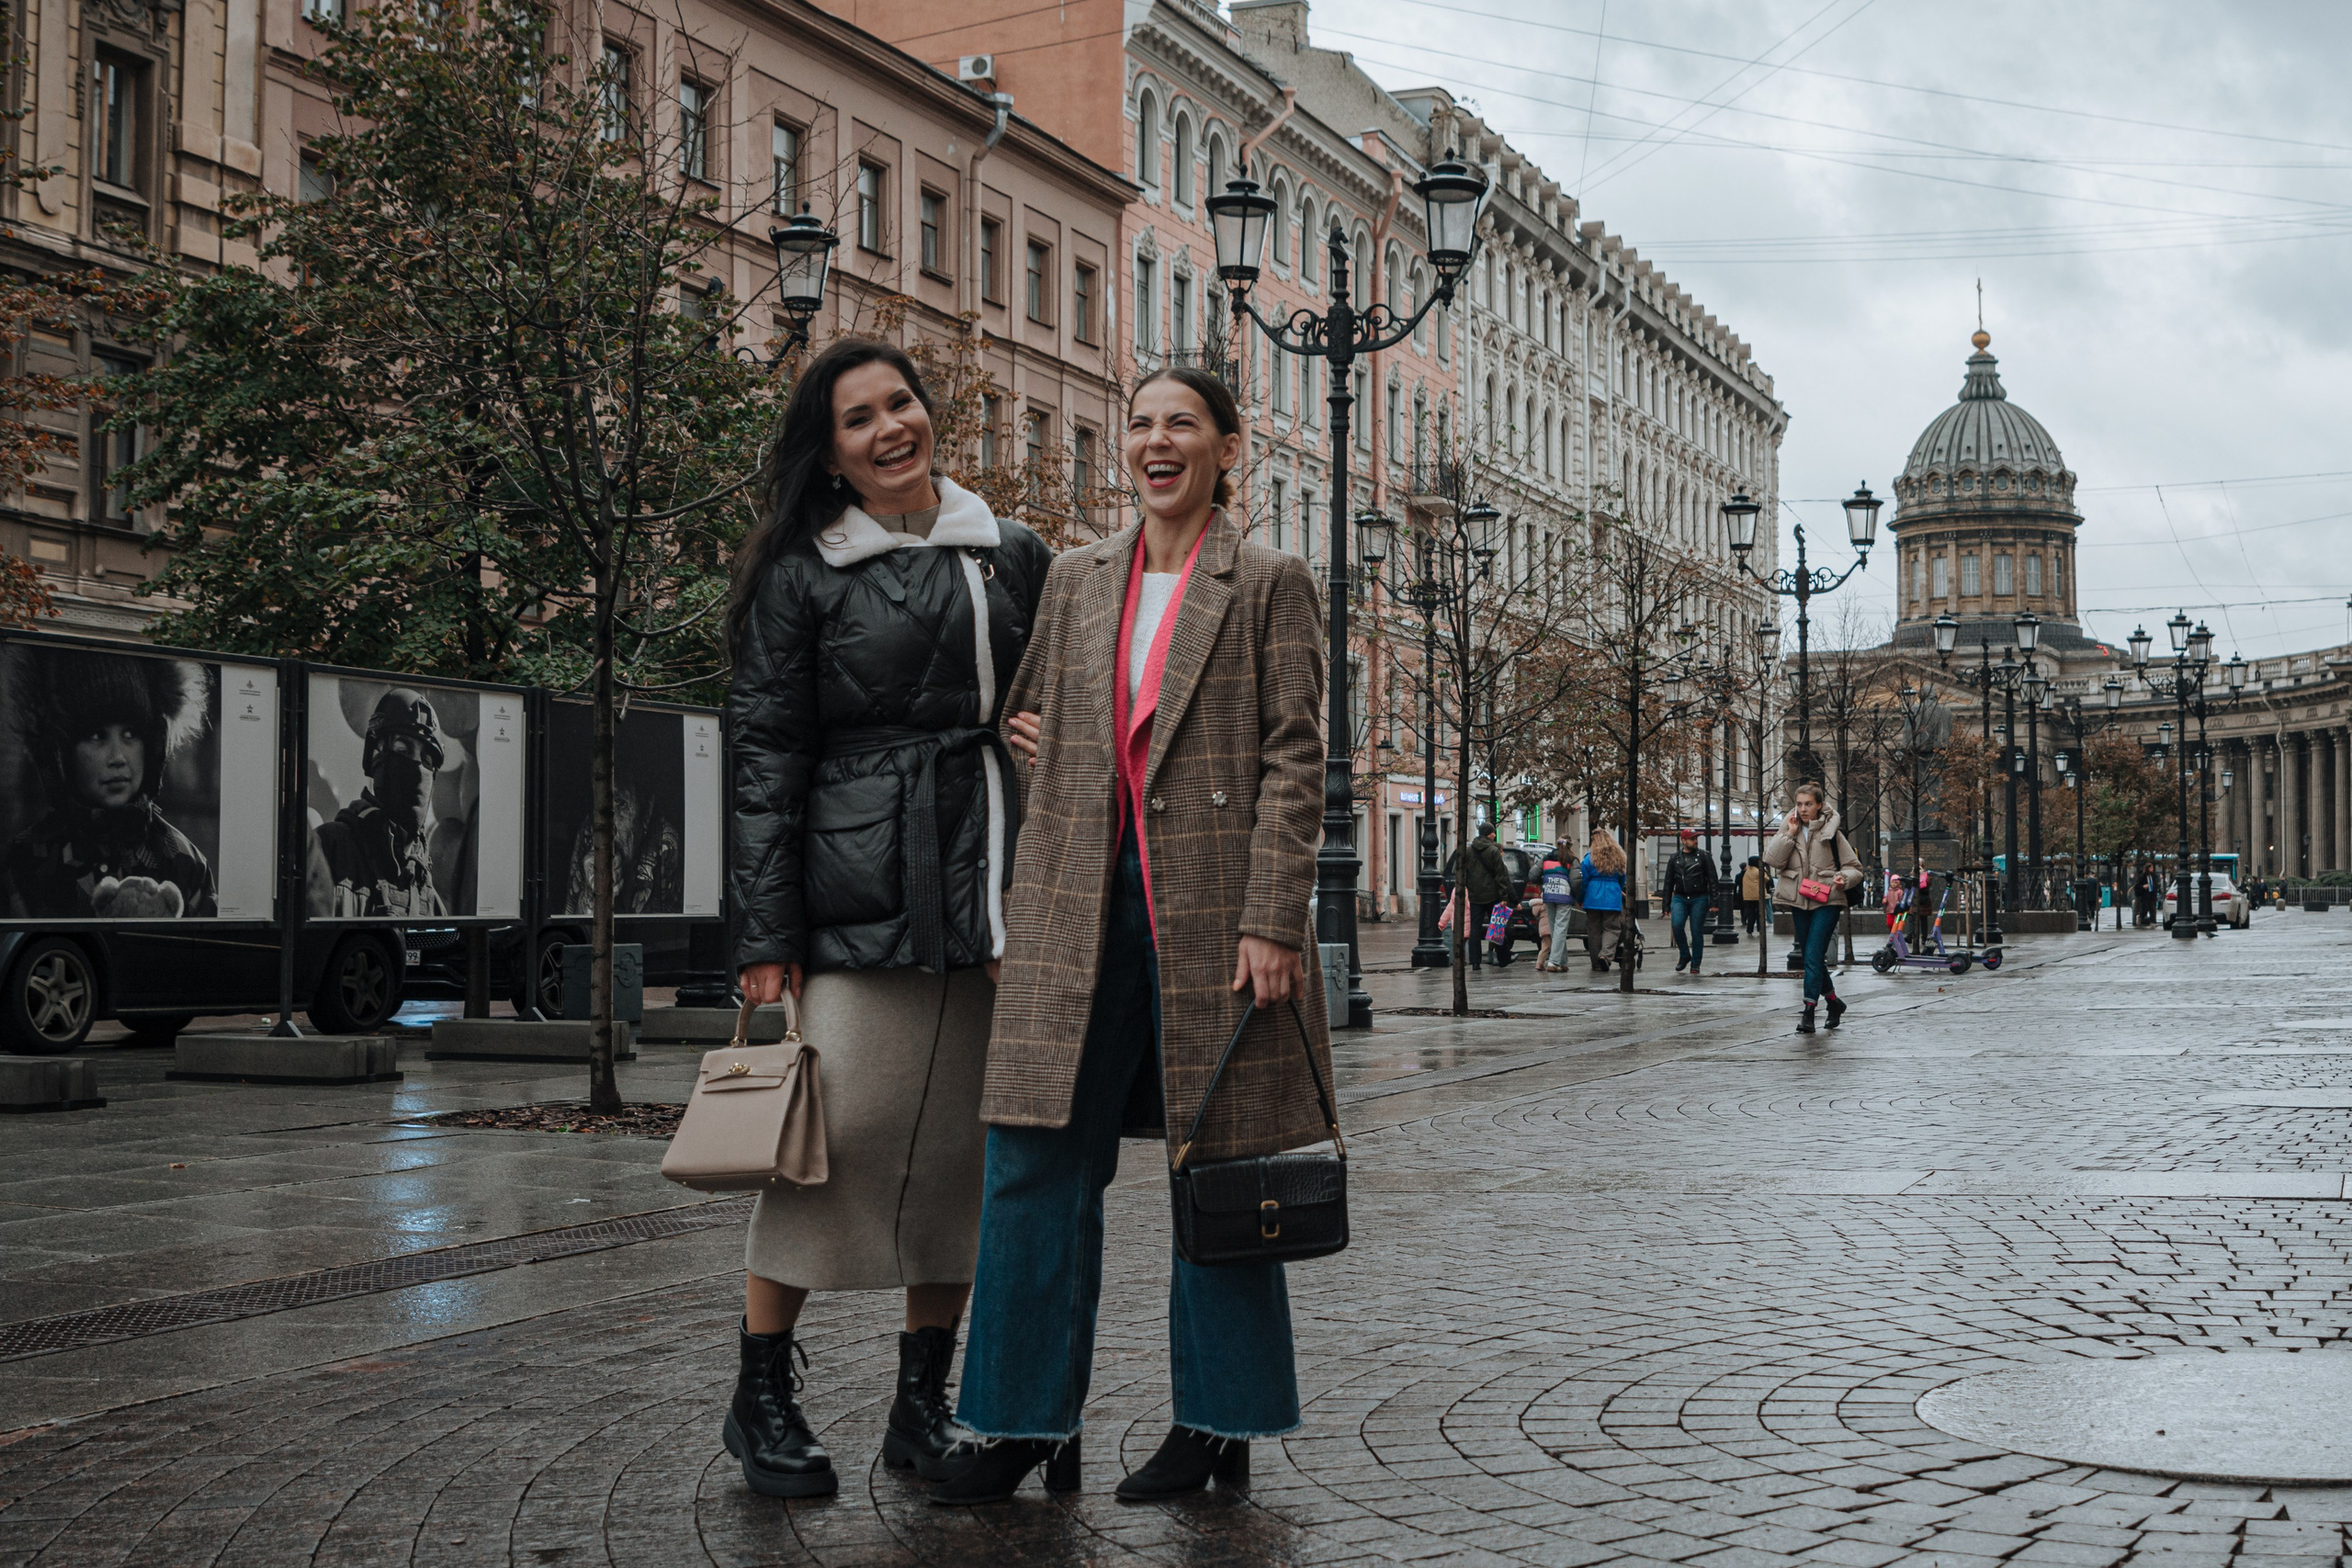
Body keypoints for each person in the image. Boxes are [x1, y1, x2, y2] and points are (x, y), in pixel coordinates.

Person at [935, 365, 1333, 1505]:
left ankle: (1218, 1422)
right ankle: (1017, 1426)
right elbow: (1038, 713)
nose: (1157, 444)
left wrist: (1274, 919)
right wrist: (1041, 744)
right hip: (1074, 902)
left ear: (1225, 449)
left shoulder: (1268, 583)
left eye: (1182, 427)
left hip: (1211, 914)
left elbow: (1294, 761)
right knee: (1030, 1161)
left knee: (1219, 1162)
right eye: (1142, 426)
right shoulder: (1075, 576)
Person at [722, 337, 1054, 1499]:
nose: (888, 429)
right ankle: (761, 1392)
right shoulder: (801, 571)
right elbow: (765, 757)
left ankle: (924, 1406)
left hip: (992, 889)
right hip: (855, 888)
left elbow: (1061, 696)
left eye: (899, 403)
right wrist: (765, 938)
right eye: (857, 419)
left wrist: (1038, 737)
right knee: (829, 1140)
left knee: (964, 1154)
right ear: (832, 453)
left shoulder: (1011, 552)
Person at [3, 649, 216, 919]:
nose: (118, 757)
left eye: (131, 734)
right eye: (96, 736)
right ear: (62, 753)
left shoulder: (184, 861)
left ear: (152, 745)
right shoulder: (28, 859)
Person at [307, 688, 449, 919]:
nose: (417, 767)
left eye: (427, 761)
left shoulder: (427, 894)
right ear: (375, 756)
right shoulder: (328, 849)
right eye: (403, 749)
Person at [1762, 783, 1863, 1034]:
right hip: (1799, 899)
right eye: (1799, 804)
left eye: (1808, 804)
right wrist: (1789, 834)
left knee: (1812, 956)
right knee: (1813, 958)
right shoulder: (1790, 828)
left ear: (1819, 805)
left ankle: (1808, 1011)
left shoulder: (1833, 833)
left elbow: (1855, 868)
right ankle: (1834, 1003)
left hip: (1827, 900)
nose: (1803, 809)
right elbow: (1772, 860)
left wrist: (1844, 878)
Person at [1663, 828, 1716, 976]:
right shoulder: (1675, 858)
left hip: (1699, 897)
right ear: (1684, 841)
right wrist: (1666, 904)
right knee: (1677, 925)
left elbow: (1712, 879)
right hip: (1680, 897)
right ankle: (1685, 954)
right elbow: (1668, 882)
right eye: (1692, 838)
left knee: (1696, 931)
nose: (1695, 841)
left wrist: (1714, 902)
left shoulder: (1704, 856)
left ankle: (1696, 963)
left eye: (1696, 838)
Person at [1462, 822, 1511, 970]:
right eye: (1493, 832)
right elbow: (1500, 875)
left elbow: (1461, 872)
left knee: (1475, 929)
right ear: (1488, 834)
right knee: (1497, 926)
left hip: (1475, 895)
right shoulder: (1493, 851)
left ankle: (1475, 961)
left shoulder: (1469, 851)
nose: (1494, 835)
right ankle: (1503, 957)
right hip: (1492, 895)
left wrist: (1468, 887)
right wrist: (1503, 897)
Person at [1578, 829, 1628, 972]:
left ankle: (1596, 963)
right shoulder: (1618, 857)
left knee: (1593, 931)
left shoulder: (1589, 858)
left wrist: (1581, 897)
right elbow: (1622, 878)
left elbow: (1584, 881)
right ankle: (1605, 957)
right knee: (1612, 929)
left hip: (1593, 896)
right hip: (1612, 896)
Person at [1537, 847, 1577, 972]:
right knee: (1560, 928)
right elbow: (1576, 881)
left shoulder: (1546, 857)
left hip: (1549, 894)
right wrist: (1577, 896)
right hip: (1564, 896)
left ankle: (1562, 962)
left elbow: (1533, 874)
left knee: (1555, 929)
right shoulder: (1572, 859)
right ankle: (1553, 962)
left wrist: (1544, 883)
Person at [1739, 855, 1765, 936]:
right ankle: (1759, 928)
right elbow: (1767, 879)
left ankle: (1749, 929)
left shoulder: (1747, 872)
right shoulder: (1758, 871)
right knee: (1759, 913)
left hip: (1747, 897)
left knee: (1751, 913)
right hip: (1757, 896)